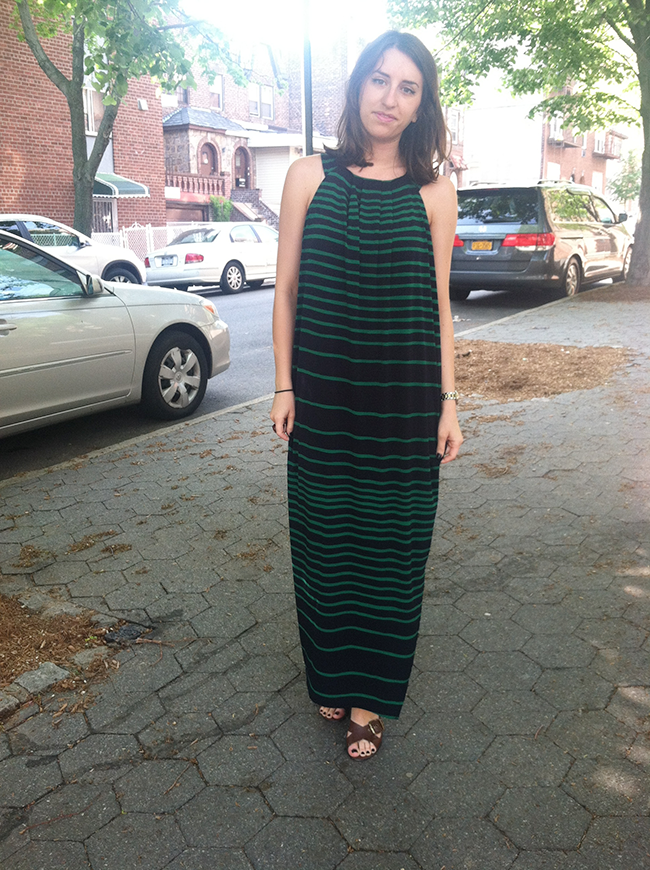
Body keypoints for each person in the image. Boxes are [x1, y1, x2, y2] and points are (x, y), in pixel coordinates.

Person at [270, 30, 463, 760]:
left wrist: (449, 400)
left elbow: (440, 305)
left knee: (390, 553)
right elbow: (286, 290)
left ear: (421, 106)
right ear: (358, 87)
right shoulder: (307, 176)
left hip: (404, 405)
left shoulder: (435, 193)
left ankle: (368, 700)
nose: (390, 97)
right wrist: (283, 384)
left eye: (408, 87)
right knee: (324, 545)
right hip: (324, 399)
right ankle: (332, 675)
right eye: (380, 80)